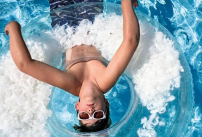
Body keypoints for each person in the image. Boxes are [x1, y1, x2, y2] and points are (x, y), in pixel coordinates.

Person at [4, 0, 140, 132]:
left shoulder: (71, 84)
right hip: (91, 19)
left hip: (63, 25)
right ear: (106, 104)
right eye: (98, 115)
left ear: (77, 107)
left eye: (84, 116)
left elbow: (25, 65)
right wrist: (125, 3)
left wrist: (14, 28)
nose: (91, 111)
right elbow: (131, 42)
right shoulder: (105, 80)